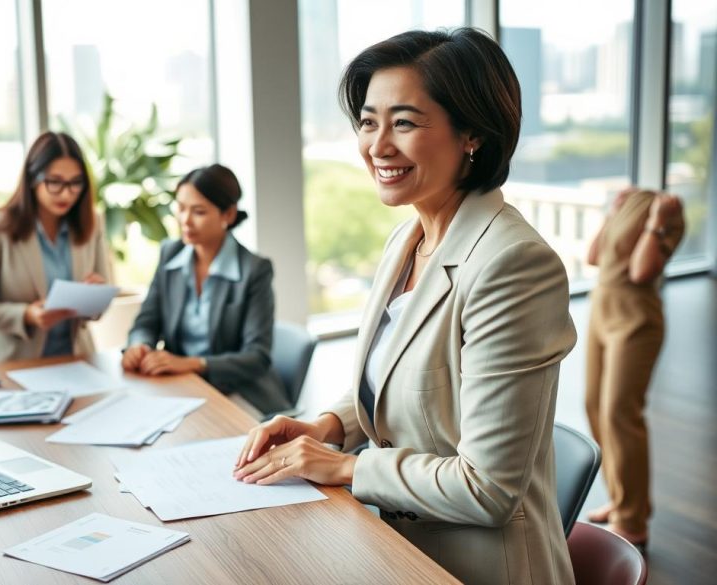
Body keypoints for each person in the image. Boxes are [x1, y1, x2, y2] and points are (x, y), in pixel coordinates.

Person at [233, 28, 577, 584]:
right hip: (393, 548)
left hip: (480, 568)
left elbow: (486, 489)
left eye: (405, 122)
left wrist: (345, 466)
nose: (378, 145)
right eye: (369, 121)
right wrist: (327, 426)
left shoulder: (514, 265)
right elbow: (404, 377)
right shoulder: (408, 240)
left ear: (472, 134)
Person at [121, 164, 289, 416]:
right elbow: (146, 321)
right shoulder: (171, 254)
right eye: (180, 208)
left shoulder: (255, 270)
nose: (184, 220)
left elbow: (257, 357)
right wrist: (139, 345)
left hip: (238, 394)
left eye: (198, 211)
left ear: (228, 215)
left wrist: (192, 364)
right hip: (184, 390)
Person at [583, 186, 684, 548]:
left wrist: (655, 223)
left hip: (636, 323)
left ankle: (633, 521)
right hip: (601, 314)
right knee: (594, 407)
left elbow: (642, 271)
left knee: (620, 415)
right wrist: (612, 214)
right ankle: (624, 498)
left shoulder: (669, 214)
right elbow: (593, 257)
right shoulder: (626, 206)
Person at [0, 131, 113, 363]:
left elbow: (103, 295)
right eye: (55, 182)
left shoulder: (92, 223)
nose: (66, 193)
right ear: (33, 179)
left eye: (75, 183)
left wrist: (97, 294)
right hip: (11, 363)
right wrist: (26, 315)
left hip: (74, 360)